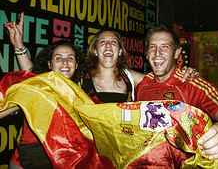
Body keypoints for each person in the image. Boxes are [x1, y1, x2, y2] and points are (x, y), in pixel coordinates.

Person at [5, 12, 198, 104]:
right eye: (102, 42)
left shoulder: (131, 78)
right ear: (95, 50)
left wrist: (185, 72)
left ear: (120, 51)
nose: (108, 46)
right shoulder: (80, 77)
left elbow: (163, 78)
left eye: (113, 42)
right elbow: (34, 77)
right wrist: (19, 45)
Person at [135, 25, 218, 162]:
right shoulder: (142, 85)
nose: (157, 53)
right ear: (147, 54)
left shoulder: (192, 84)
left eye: (165, 47)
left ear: (177, 53)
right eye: (152, 47)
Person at [0, 39, 85, 168]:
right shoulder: (36, 89)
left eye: (70, 58)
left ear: (76, 64)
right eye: (58, 58)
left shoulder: (80, 93)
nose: (65, 62)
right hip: (27, 163)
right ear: (49, 64)